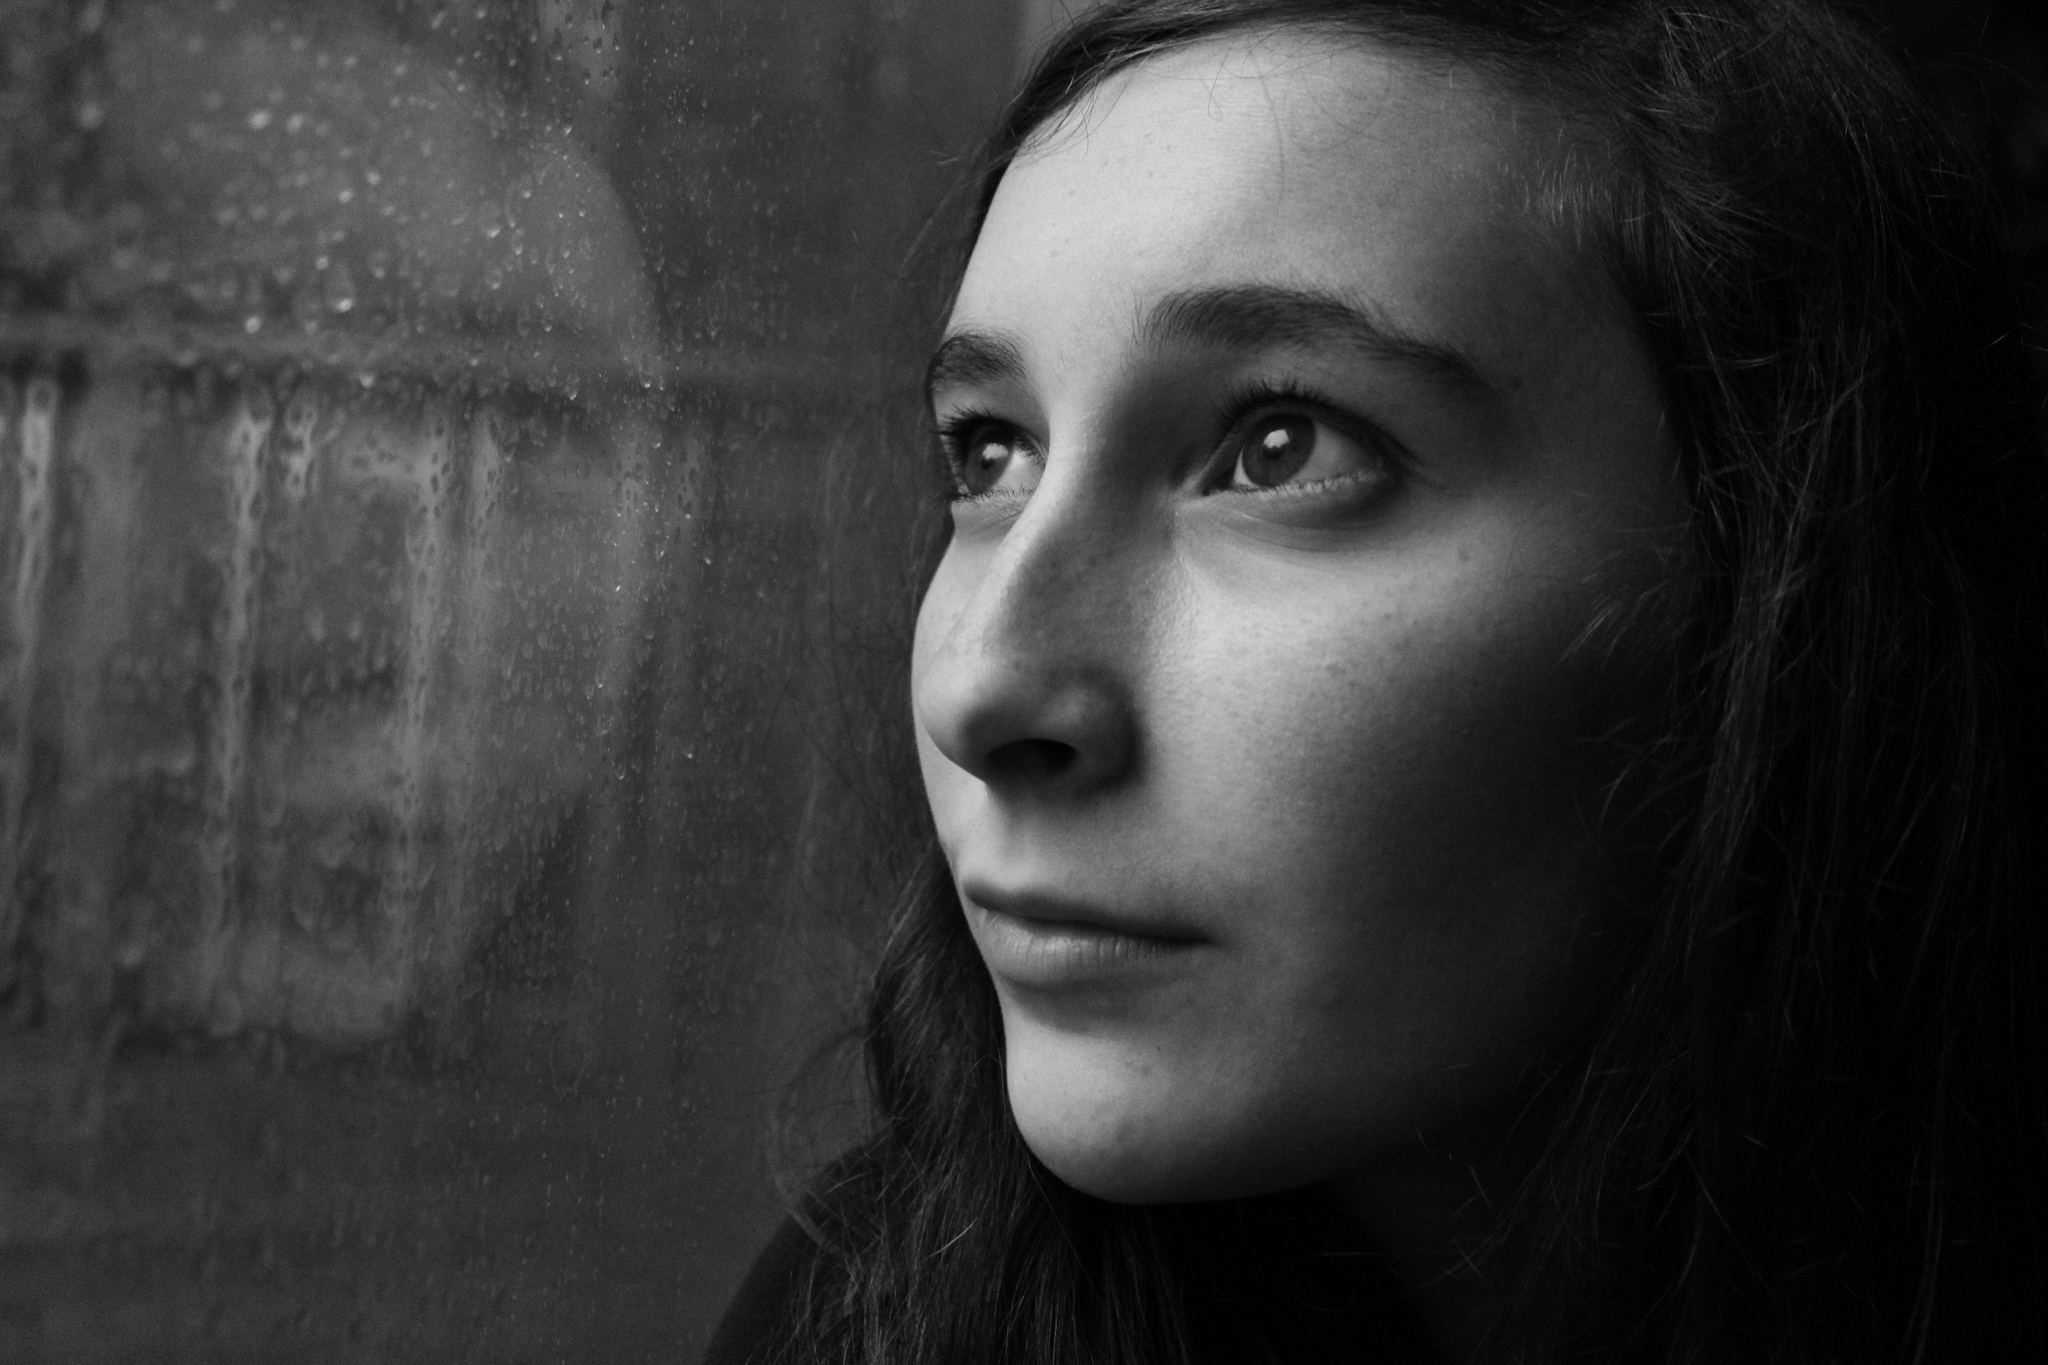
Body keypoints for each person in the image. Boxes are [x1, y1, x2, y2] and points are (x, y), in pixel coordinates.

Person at [705, 0, 2048, 1360]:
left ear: (1775, 594)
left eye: (1281, 446)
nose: (984, 689)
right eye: (990, 453)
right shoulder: (880, 1317)